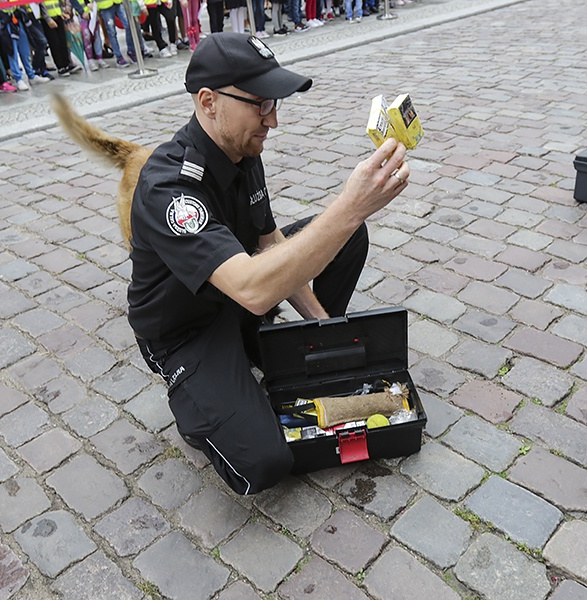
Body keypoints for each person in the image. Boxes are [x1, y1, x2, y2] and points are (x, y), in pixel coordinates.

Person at [128, 33, 410, 495]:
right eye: (260, 105)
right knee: (264, 463)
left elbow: (269, 242)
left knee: (346, 237)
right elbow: (255, 287)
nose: (273, 120)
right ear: (208, 101)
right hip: (187, 331)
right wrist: (350, 205)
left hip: (242, 298)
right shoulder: (169, 188)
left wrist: (324, 331)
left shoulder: (241, 148)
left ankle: (285, 353)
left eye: (274, 104)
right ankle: (202, 403)